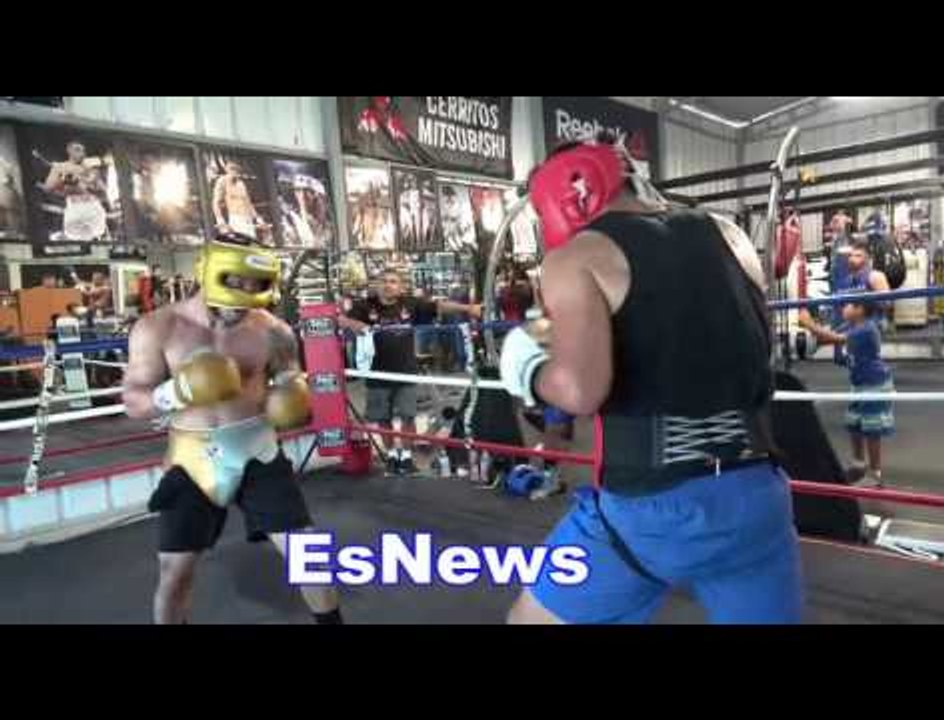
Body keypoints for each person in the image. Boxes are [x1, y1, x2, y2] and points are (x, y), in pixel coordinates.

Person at [498, 140, 803, 624]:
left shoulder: (578, 256)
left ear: (566, 195)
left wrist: (530, 371)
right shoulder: (729, 234)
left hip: (654, 510)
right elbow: (746, 341)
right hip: (758, 496)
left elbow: (580, 390)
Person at [122, 235, 342, 625]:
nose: (246, 297)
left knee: (309, 554)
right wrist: (180, 391)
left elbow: (289, 376)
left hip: (257, 447)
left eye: (257, 286)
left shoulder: (273, 330)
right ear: (206, 271)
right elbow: (134, 402)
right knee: (174, 573)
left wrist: (293, 393)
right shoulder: (158, 327)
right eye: (237, 283)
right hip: (193, 459)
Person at [338, 268, 482, 475]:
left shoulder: (410, 304)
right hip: (377, 373)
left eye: (393, 281)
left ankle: (406, 457)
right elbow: (340, 320)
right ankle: (391, 456)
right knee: (382, 418)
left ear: (400, 286)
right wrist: (356, 324)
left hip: (405, 370)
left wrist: (468, 308)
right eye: (384, 281)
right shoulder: (365, 305)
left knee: (408, 417)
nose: (388, 285)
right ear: (378, 284)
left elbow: (439, 306)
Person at [798, 298, 893, 488]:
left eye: (848, 305)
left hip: (874, 384)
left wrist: (809, 323)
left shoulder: (866, 329)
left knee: (871, 428)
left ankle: (875, 474)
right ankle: (858, 464)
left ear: (860, 310)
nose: (843, 308)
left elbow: (836, 338)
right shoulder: (852, 326)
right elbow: (830, 339)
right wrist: (813, 329)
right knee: (854, 423)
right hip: (859, 384)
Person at [43, 141, 109, 242]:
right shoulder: (59, 167)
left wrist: (87, 183)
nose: (81, 153)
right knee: (75, 238)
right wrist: (62, 181)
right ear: (69, 151)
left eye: (83, 150)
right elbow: (47, 188)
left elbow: (103, 191)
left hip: (94, 208)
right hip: (74, 209)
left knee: (97, 236)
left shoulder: (91, 169)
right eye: (77, 149)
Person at [212, 161, 266, 240]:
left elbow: (248, 203)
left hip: (248, 220)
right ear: (227, 169)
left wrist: (258, 218)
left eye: (236, 169)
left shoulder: (241, 183)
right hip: (235, 219)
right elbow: (216, 202)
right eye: (232, 169)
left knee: (251, 245)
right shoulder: (222, 181)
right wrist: (220, 220)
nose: (235, 172)